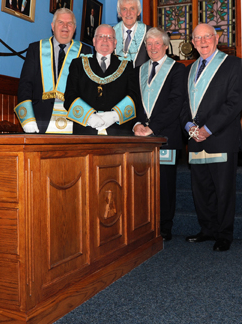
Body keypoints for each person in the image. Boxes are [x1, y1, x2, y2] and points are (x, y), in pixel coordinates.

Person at [180, 23, 242, 251]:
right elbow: (184, 105)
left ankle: (224, 234)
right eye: (197, 38)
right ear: (193, 43)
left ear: (216, 39)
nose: (202, 41)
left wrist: (208, 128)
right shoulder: (189, 69)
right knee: (201, 188)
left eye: (207, 37)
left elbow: (235, 103)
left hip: (221, 137)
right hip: (195, 139)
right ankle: (207, 229)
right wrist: (189, 127)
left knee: (223, 189)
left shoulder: (234, 65)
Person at [134, 27, 186, 241]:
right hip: (141, 137)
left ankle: (165, 226)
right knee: (142, 183)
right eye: (149, 44)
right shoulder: (139, 70)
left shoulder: (177, 70)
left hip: (165, 136)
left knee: (164, 185)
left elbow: (176, 104)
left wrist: (152, 127)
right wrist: (137, 123)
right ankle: (146, 224)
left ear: (165, 46)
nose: (153, 47)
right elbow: (135, 101)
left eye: (157, 43)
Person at [14, 8, 92, 134]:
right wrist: (27, 118)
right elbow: (25, 85)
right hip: (40, 119)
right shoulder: (36, 49)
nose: (65, 26)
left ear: (75, 28)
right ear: (53, 26)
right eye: (61, 22)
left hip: (75, 120)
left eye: (70, 23)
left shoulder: (85, 52)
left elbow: (88, 89)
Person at [64, 24, 139, 135]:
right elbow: (70, 95)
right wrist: (89, 117)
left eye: (109, 37)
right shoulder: (78, 64)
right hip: (85, 130)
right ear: (94, 41)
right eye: (101, 36)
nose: (105, 40)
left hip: (118, 131)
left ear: (115, 43)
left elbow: (134, 96)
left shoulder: (127, 66)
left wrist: (114, 116)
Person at [113, 0, 151, 68]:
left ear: (139, 12)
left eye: (132, 8)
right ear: (119, 13)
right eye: (124, 9)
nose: (128, 13)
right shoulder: (111, 34)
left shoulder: (149, 32)